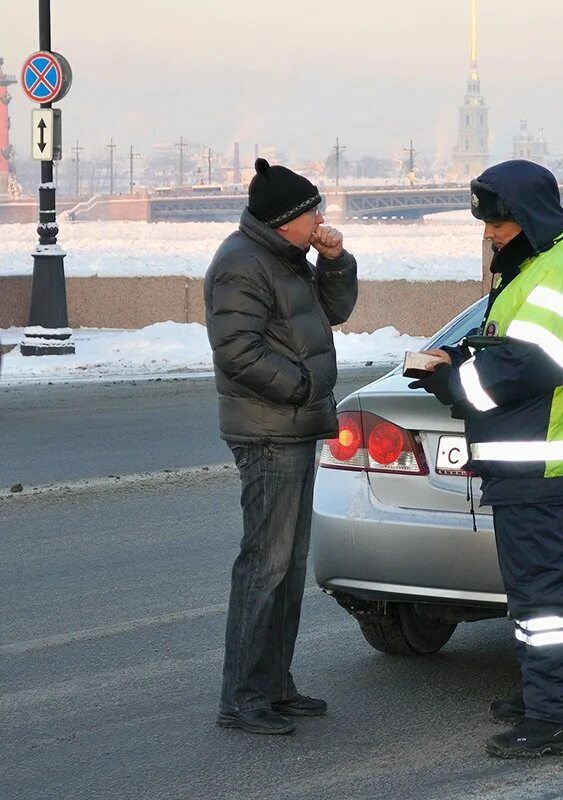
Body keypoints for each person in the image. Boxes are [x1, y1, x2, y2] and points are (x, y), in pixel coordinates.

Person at [410, 159, 563, 758]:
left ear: (527, 218)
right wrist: (459, 357)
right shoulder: (540, 267)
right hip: (523, 459)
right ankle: (536, 696)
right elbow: (507, 350)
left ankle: (549, 721)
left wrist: (452, 384)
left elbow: (529, 368)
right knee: (529, 593)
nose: (489, 234)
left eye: (497, 222)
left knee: (540, 596)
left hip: (536, 461)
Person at [205, 158, 358, 735]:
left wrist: (335, 262)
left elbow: (334, 312)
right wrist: (302, 387)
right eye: (313, 210)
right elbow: (237, 351)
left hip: (293, 425)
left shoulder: (286, 258)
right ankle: (242, 696)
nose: (321, 217)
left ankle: (274, 685)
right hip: (269, 430)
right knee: (263, 567)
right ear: (286, 219)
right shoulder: (241, 265)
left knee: (289, 567)